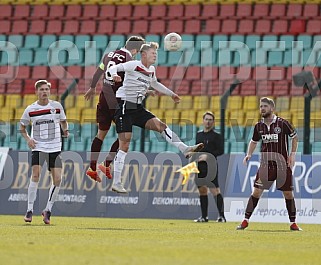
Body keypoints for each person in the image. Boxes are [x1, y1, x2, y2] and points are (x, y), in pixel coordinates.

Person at [108, 42, 204, 193]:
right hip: (125, 106)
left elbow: (155, 84)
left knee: (161, 126)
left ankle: (185, 149)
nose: (155, 55)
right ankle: (117, 182)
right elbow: (113, 67)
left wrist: (171, 94)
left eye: (156, 53)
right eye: (153, 53)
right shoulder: (133, 65)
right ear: (143, 54)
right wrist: (114, 75)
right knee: (124, 146)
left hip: (138, 108)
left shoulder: (151, 70)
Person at [84, 36, 145, 183]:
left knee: (100, 134)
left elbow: (99, 72)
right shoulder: (129, 58)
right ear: (136, 49)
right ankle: (106, 164)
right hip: (118, 100)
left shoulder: (109, 55)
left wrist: (92, 87)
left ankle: (92, 168)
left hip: (104, 97)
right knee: (125, 135)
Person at [236, 97, 302, 231]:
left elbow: (295, 137)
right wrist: (249, 154)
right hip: (266, 166)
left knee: (288, 194)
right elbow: (254, 141)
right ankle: (245, 220)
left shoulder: (283, 123)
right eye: (261, 106)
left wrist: (292, 154)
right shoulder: (258, 126)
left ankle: (293, 223)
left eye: (265, 106)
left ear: (272, 108)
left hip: (283, 165)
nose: (262, 109)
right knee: (256, 192)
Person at [20, 80, 69, 225]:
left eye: (47, 89)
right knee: (36, 174)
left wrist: (65, 130)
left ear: (50, 91)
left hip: (55, 147)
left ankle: (48, 210)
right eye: (41, 89)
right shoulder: (30, 109)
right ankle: (29, 209)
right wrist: (28, 139)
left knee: (58, 179)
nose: (45, 92)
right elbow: (22, 127)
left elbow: (64, 121)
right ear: (36, 92)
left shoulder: (57, 106)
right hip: (39, 146)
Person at [193, 111, 226, 223]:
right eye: (206, 119)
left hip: (211, 165)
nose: (208, 122)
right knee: (202, 190)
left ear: (213, 122)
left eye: (210, 120)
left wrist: (208, 156)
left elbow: (221, 150)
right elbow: (196, 149)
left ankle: (222, 216)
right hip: (200, 166)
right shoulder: (199, 135)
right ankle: (204, 217)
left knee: (214, 190)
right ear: (203, 121)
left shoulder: (217, 136)